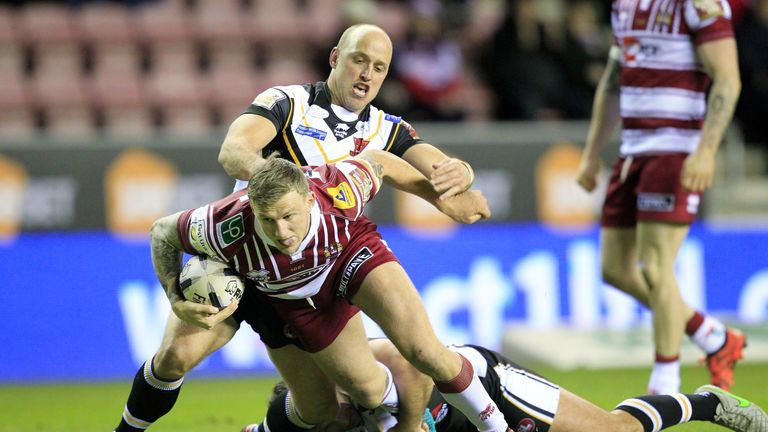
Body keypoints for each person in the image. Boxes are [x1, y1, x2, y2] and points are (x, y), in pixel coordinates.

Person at [113, 23, 491, 432]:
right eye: (358, 60)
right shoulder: (288, 102)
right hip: (241, 256)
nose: (367, 74)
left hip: (307, 275)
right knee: (175, 356)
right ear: (335, 58)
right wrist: (292, 189)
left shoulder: (387, 129)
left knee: (326, 411)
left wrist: (463, 173)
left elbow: (441, 172)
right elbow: (233, 151)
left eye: (378, 67)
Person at [116, 150, 509, 432]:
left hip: (348, 255)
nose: (281, 231)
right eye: (268, 221)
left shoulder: (339, 188)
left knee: (426, 352)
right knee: (334, 403)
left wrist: (441, 197)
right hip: (290, 300)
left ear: (307, 198)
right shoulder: (223, 224)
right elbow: (161, 232)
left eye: (288, 216)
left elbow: (382, 160)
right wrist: (175, 296)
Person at [576, 0, 745, 395]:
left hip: (676, 148)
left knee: (655, 266)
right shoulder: (624, 5)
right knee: (614, 270)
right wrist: (591, 152)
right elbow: (614, 79)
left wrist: (706, 150)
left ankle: (665, 381)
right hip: (633, 149)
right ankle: (713, 336)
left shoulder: (699, 3)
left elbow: (727, 78)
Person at [249, 338, 768, 432]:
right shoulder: (296, 419)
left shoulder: (356, 378)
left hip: (483, 385)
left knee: (613, 431)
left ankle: (706, 403)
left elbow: (403, 360)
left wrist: (408, 423)